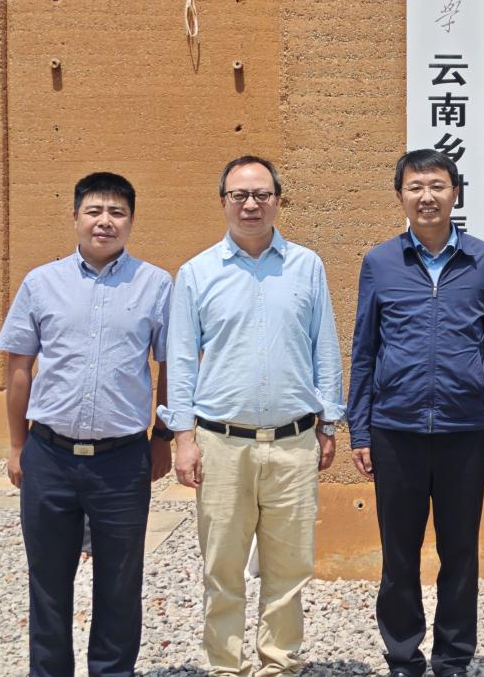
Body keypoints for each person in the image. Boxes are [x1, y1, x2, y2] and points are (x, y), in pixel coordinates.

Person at [160, 155, 345, 677]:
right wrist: (183, 437)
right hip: (221, 444)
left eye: (261, 194)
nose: (250, 205)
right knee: (222, 567)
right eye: (239, 195)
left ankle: (279, 663)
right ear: (223, 202)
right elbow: (180, 358)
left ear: (278, 200)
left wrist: (329, 423)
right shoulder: (196, 273)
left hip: (294, 442)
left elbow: (325, 347)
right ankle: (225, 665)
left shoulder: (306, 266)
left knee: (290, 568)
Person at [0, 171, 173, 677]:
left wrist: (162, 436)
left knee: (120, 584)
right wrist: (17, 445)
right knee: (48, 583)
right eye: (94, 210)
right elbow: (19, 368)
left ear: (131, 221)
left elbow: (171, 366)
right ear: (75, 217)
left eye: (117, 212)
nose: (105, 221)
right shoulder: (41, 283)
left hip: (122, 462)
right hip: (48, 455)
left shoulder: (156, 284)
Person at [348, 149, 484, 677]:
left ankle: (453, 657)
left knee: (460, 550)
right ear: (400, 195)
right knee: (399, 551)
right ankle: (402, 654)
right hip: (395, 429)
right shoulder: (380, 262)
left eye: (437, 186)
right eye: (415, 187)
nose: (427, 197)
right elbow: (365, 348)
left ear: (455, 193)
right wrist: (359, 429)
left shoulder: (483, 261)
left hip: (466, 429)